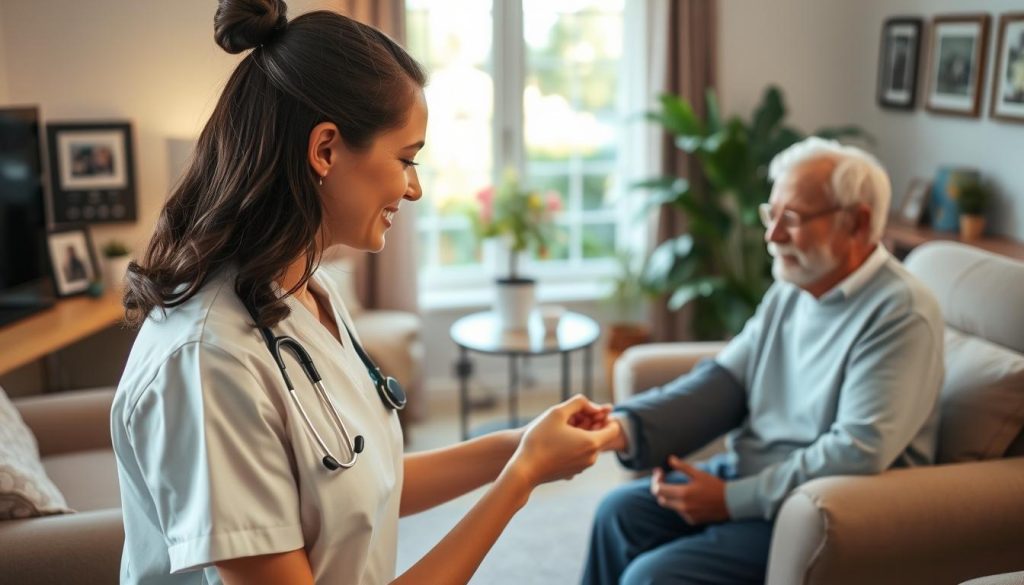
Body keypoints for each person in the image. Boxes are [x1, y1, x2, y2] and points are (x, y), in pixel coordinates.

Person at [112, 3, 618, 584]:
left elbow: (358, 479)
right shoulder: (208, 361)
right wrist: (520, 478)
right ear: (325, 149)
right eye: (406, 159)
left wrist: (518, 443)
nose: (416, 187)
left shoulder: (305, 291)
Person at [581, 137, 945, 584]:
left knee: (653, 577)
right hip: (752, 477)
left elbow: (857, 451)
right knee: (616, 514)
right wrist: (618, 429)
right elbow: (724, 381)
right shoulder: (793, 288)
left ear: (857, 222)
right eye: (771, 215)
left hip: (822, 510)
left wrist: (733, 499)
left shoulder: (901, 313)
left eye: (791, 219)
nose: (772, 236)